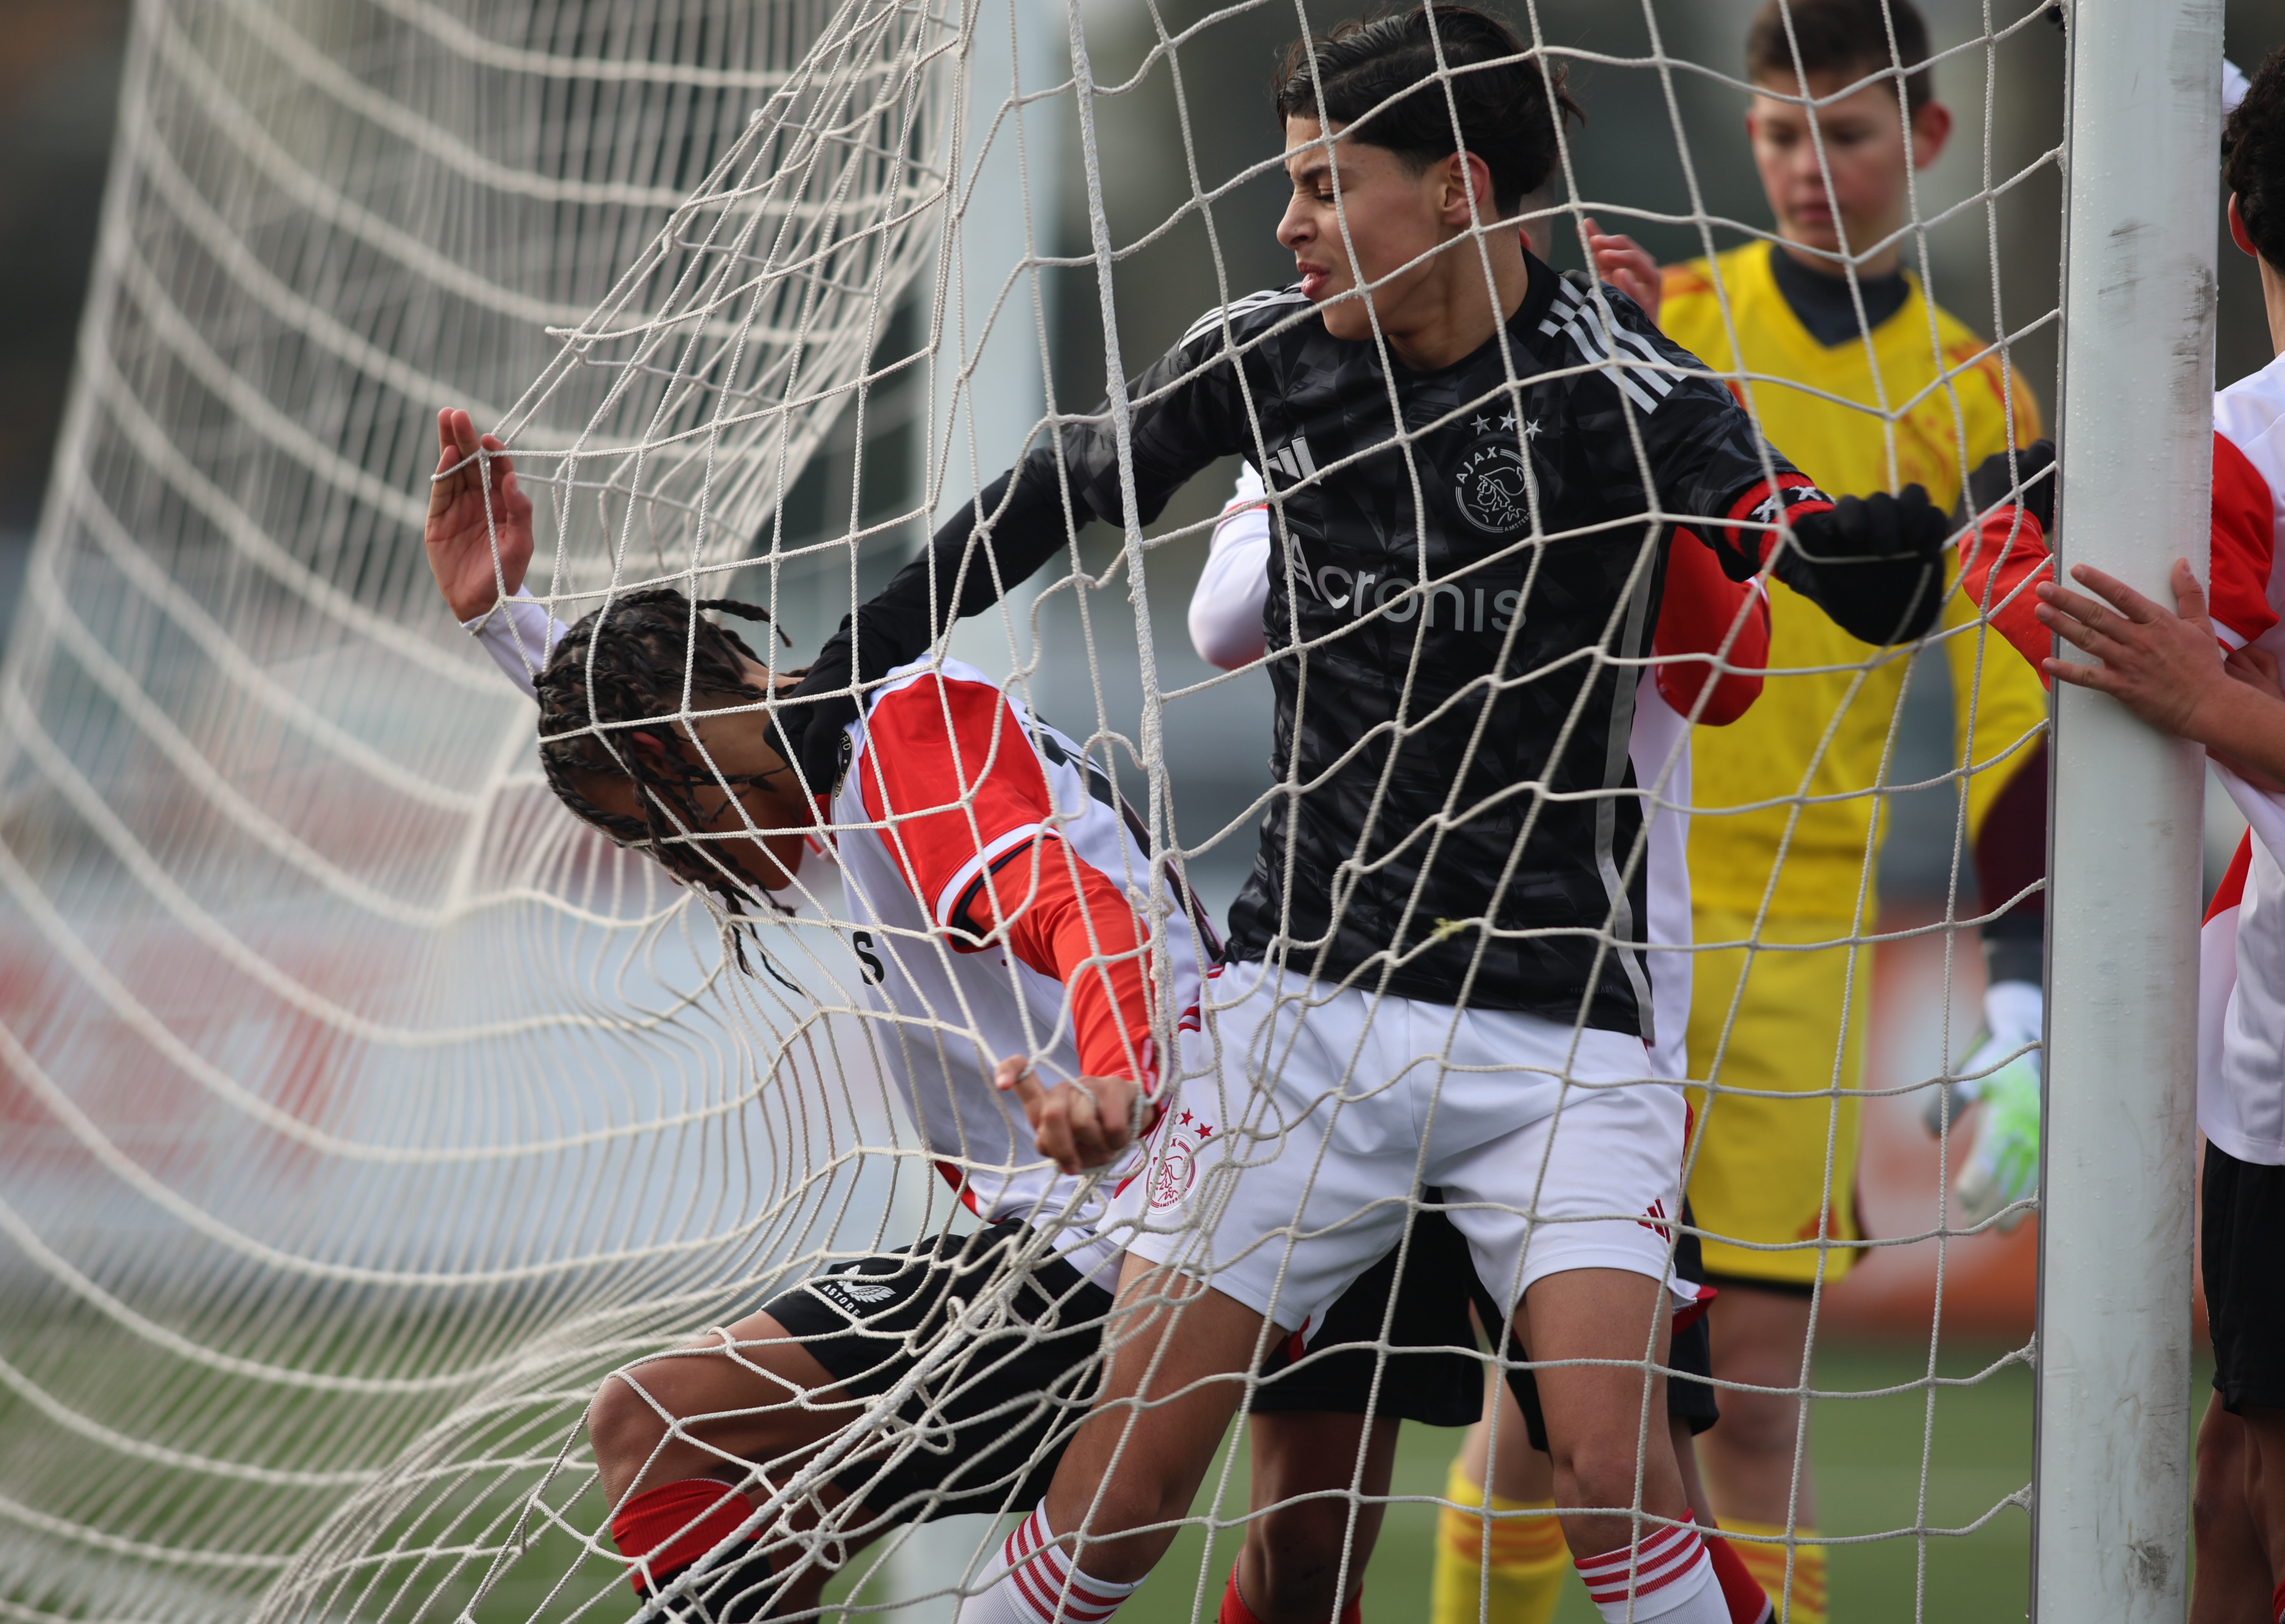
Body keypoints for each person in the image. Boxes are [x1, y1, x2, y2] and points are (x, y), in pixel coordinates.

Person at [764, 8, 1956, 1623]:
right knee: (1129, 1492)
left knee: (1615, 1475)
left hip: (1558, 1038)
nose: (1289, 222)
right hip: (1303, 1020)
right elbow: (1055, 489)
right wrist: (845, 666)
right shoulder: (1273, 350)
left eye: (1326, 185)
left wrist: (1864, 560)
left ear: (1458, 187)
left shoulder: (1624, 380)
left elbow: (1772, 519)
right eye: (1291, 182)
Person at [420, 408, 1499, 1624]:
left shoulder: (898, 745)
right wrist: (509, 623)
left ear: (693, 751)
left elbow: (1083, 912)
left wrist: (1114, 1078)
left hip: (1138, 1199)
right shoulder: (806, 747)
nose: (681, 861)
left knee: (657, 1423)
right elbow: (657, 726)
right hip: (1263, 1134)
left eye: (667, 825)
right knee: (1302, 1569)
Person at [1546, 5, 2053, 1616]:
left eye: (1845, 133)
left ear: (1927, 137)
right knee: (1550, 1420)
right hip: (1597, 924)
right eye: (1781, 133)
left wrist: (2023, 985)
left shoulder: (1980, 400)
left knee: (1755, 1414)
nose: (1810, 168)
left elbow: (2013, 706)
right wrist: (1586, 351)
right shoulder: (1673, 317)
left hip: (1799, 950)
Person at [1189, 460, 1768, 1624]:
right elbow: (1224, 622)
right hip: (1339, 1045)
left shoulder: (1642, 420)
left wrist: (1636, 456)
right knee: (1304, 1539)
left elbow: (1729, 677)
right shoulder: (1316, 410)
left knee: (1638, 1491)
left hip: (1574, 1052)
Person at [1963, 46, 2285, 1621]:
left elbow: (2088, 632)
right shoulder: (2224, 451)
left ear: (2233, 222)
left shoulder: (2235, 452)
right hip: (2267, 1030)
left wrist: (1992, 541)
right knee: (2230, 1468)